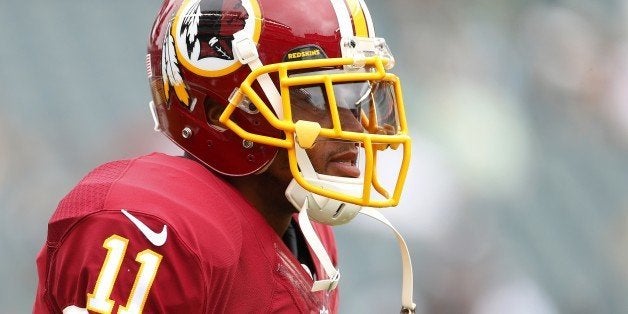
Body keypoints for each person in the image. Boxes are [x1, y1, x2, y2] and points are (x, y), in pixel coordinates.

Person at [33, 0, 415, 313]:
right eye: (317, 96)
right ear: (220, 111)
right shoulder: (152, 228)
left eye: (355, 95)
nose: (355, 126)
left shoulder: (310, 233)